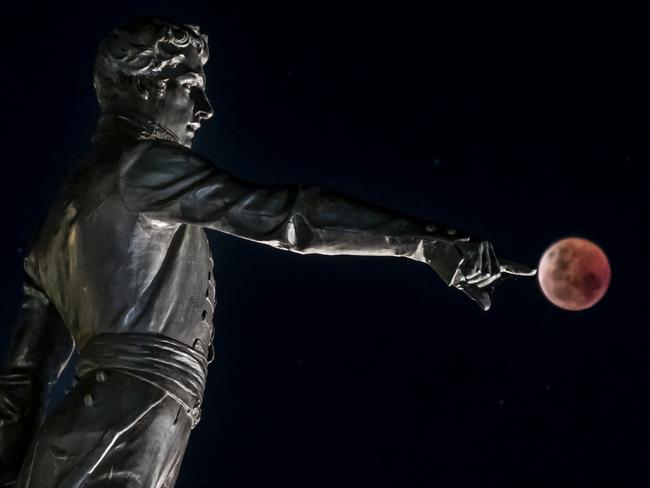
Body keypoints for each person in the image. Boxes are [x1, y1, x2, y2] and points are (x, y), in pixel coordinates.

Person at [0, 17, 534, 487]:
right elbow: (287, 217)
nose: (204, 109)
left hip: (107, 431)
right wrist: (427, 241)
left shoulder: (54, 224)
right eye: (190, 86)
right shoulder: (141, 166)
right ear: (145, 88)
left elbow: (19, 387)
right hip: (123, 429)